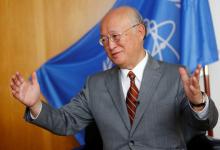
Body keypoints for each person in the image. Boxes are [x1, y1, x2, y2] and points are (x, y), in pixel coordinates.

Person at [10, 6, 218, 150]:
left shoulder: (176, 76)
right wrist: (35, 104)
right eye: (104, 39)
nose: (110, 45)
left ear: (140, 31)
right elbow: (65, 122)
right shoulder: (95, 84)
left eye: (115, 36)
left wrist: (198, 103)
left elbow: (205, 123)